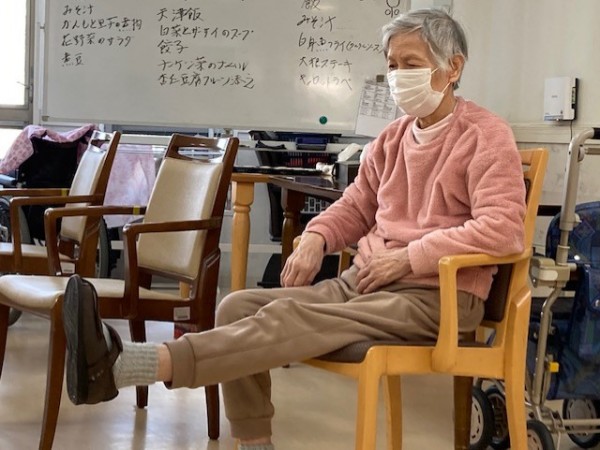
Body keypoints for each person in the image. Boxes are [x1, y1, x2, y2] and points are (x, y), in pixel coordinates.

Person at [62, 8, 526, 450]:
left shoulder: (485, 135)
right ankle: (255, 441)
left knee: (291, 317)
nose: (398, 75)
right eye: (392, 64)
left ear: (453, 67)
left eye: (411, 64)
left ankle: (130, 365)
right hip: (365, 283)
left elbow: (503, 228)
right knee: (237, 306)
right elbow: (356, 205)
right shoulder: (394, 137)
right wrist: (316, 239)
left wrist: (407, 258)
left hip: (436, 298)